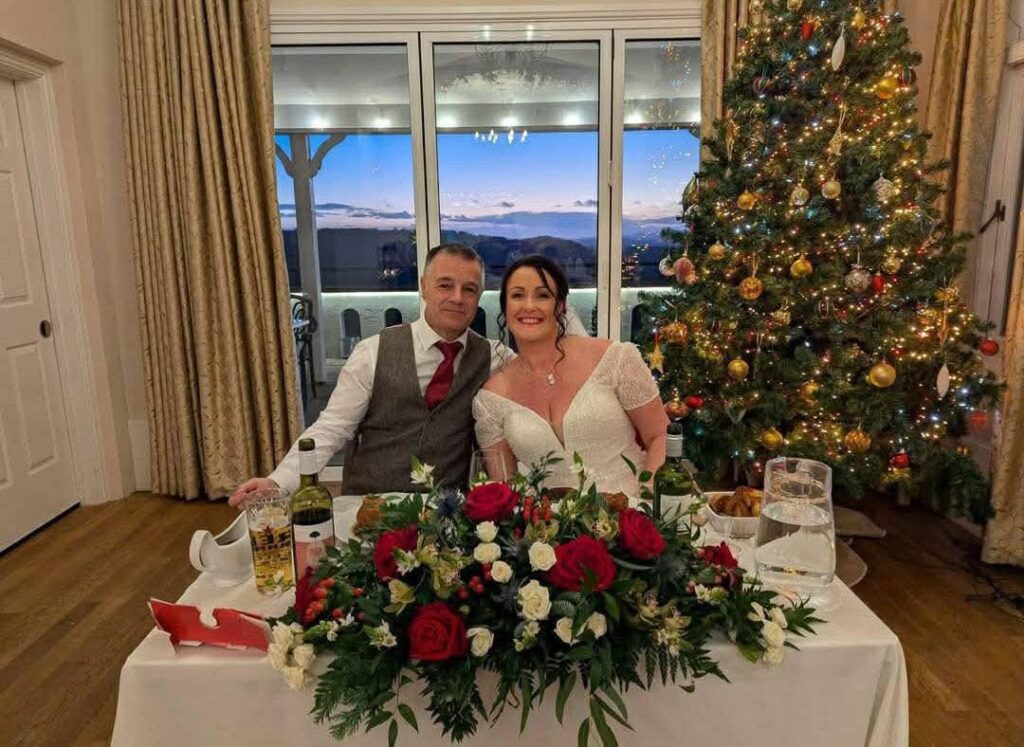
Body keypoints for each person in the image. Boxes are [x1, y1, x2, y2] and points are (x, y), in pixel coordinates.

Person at [229, 243, 506, 505]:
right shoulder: (372, 353)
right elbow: (333, 427)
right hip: (370, 505)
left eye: (469, 289)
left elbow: (542, 374)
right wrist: (278, 482)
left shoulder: (494, 357)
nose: (457, 298)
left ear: (479, 296)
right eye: (445, 285)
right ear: (423, 287)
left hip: (447, 512)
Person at [472, 254, 667, 499]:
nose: (529, 306)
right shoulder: (489, 399)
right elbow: (505, 487)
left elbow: (659, 436)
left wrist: (647, 503)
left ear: (561, 306)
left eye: (542, 295)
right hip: (546, 529)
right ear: (505, 307)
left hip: (630, 515)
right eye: (517, 295)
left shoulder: (616, 358)